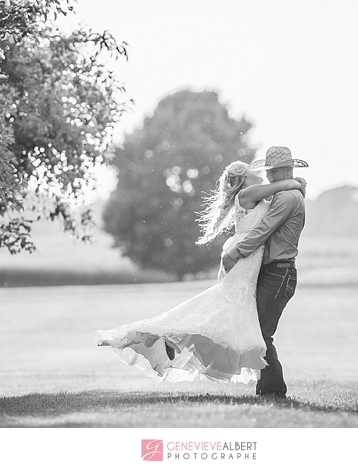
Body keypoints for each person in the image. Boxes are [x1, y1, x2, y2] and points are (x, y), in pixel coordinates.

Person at [95, 159, 306, 383]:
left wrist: (298, 186)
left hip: (252, 256)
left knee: (230, 307)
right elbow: (283, 186)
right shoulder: (249, 192)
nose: (258, 173)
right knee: (229, 303)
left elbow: (280, 201)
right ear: (244, 179)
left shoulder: (257, 195)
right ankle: (172, 337)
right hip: (246, 255)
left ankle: (175, 339)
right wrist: (297, 181)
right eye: (251, 171)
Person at [222, 146, 308, 399]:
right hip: (271, 271)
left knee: (261, 331)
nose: (269, 176)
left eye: (273, 171)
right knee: (258, 330)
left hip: (279, 272)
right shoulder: (284, 193)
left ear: (286, 170)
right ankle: (266, 387)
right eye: (267, 171)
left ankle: (273, 388)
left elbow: (264, 230)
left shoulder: (286, 197)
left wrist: (236, 252)